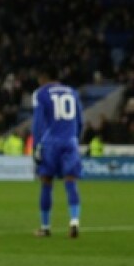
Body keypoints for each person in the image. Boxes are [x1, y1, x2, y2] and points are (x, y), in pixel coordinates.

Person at [31, 70, 84, 238]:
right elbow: (80, 121)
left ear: (42, 78)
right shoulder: (72, 92)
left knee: (46, 182)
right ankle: (74, 221)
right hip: (70, 141)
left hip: (50, 143)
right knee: (71, 182)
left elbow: (38, 121)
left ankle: (45, 227)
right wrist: (75, 138)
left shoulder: (41, 93)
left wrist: (36, 146)